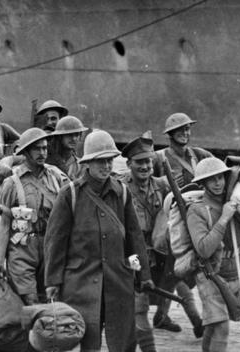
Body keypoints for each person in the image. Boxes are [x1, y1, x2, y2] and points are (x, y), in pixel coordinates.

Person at [44, 130, 151, 352]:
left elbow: (134, 237)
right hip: (81, 285)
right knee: (87, 343)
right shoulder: (70, 195)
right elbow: (55, 241)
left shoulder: (121, 193)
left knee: (122, 343)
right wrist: (53, 281)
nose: (106, 166)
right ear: (87, 164)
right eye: (100, 161)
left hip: (117, 283)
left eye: (109, 160)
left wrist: (143, 274)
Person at [121, 132, 204, 346]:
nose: (145, 167)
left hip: (161, 255)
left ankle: (195, 321)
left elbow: (186, 205)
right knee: (139, 306)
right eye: (139, 162)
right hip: (133, 256)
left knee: (175, 281)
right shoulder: (120, 189)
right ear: (129, 164)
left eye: (148, 161)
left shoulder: (163, 185)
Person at [0, 127, 68, 304]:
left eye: (45, 148)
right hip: (22, 250)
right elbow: (4, 224)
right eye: (37, 149)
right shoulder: (12, 182)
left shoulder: (57, 177)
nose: (42, 153)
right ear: (25, 152)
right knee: (29, 300)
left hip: (50, 249)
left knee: (46, 301)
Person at [186, 157, 240, 352]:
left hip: (232, 273)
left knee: (214, 326)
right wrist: (223, 219)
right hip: (209, 274)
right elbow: (203, 248)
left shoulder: (234, 205)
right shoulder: (196, 210)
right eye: (211, 179)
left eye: (220, 177)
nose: (217, 183)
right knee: (222, 327)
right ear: (202, 183)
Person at [157, 113, 215, 188]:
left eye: (187, 129)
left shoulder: (200, 154)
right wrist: (165, 182)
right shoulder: (159, 157)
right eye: (179, 130)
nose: (184, 133)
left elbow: (220, 170)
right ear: (170, 133)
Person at [46, 115, 87, 180]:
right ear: (60, 136)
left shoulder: (81, 165)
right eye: (69, 135)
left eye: (76, 135)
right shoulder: (48, 161)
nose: (74, 138)